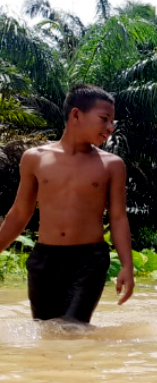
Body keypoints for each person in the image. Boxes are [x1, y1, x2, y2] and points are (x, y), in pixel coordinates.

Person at [0, 84, 135, 323]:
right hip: (45, 259)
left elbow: (117, 216)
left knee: (74, 329)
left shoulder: (112, 165)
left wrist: (127, 265)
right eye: (104, 119)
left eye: (112, 121)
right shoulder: (35, 158)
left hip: (89, 260)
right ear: (76, 115)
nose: (110, 128)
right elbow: (20, 212)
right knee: (47, 330)